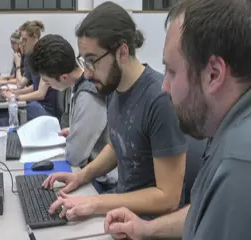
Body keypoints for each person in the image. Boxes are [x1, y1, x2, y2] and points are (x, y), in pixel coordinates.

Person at [103, 0, 251, 239]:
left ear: (214, 74)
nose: (165, 87)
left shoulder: (239, 165)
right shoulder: (226, 128)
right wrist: (147, 229)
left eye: (171, 71)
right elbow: (204, 210)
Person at [42, 1, 187, 220]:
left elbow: (168, 198)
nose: (87, 74)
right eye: (84, 62)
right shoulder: (113, 87)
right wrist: (81, 177)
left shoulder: (159, 99)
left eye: (92, 61)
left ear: (122, 52)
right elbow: (118, 144)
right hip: (121, 211)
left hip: (147, 224)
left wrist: (94, 203)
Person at [28, 34, 117, 191]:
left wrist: (77, 135)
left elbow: (75, 157)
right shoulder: (77, 87)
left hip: (104, 181)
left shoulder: (87, 96)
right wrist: (76, 131)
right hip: (91, 170)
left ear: (63, 77)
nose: (47, 86)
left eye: (48, 82)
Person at [1, 20, 60, 122]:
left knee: (3, 119)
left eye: (25, 40)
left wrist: (14, 97)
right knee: (3, 115)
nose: (22, 43)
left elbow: (41, 94)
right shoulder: (31, 56)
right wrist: (15, 92)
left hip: (45, 109)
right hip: (37, 105)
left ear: (34, 37)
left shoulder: (45, 56)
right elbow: (35, 87)